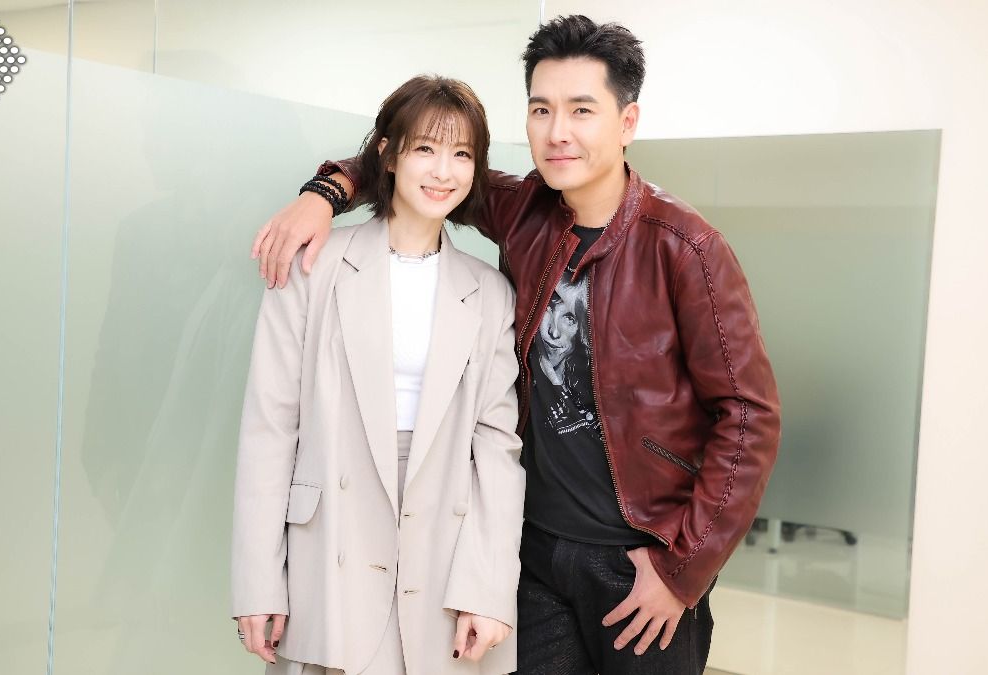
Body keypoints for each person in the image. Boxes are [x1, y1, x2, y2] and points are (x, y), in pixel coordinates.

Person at [249, 15, 782, 675]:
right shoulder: (524, 210)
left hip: (639, 559)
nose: (558, 131)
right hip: (535, 558)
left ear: (627, 121)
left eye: (581, 109)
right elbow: (417, 158)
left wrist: (684, 568)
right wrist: (324, 195)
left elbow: (749, 415)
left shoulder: (685, 247)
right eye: (541, 109)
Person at [230, 75, 525, 675]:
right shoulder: (316, 265)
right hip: (332, 536)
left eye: (462, 154)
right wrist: (258, 580)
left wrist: (490, 588)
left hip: (443, 538)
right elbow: (270, 427)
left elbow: (498, 448)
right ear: (387, 155)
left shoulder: (490, 291)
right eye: (425, 149)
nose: (443, 171)